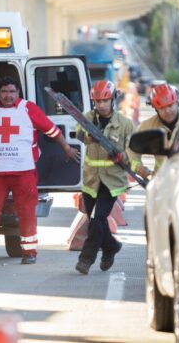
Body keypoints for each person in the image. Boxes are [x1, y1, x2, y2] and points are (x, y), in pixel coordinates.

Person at [0, 77, 79, 265]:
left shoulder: (29, 109)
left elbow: (52, 131)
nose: (8, 95)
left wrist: (67, 148)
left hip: (24, 171)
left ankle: (30, 252)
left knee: (27, 211)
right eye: (4, 91)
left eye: (12, 91)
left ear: (18, 93)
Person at [75, 80, 134, 275]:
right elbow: (78, 134)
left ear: (113, 99)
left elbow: (132, 152)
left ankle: (86, 259)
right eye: (98, 101)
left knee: (99, 217)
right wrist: (87, 136)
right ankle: (111, 247)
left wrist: (121, 156)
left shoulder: (124, 124)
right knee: (96, 222)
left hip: (112, 180)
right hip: (91, 180)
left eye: (105, 100)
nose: (101, 105)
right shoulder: (86, 119)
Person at [128, 83, 179, 178]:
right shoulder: (148, 126)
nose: (167, 111)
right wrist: (138, 167)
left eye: (170, 105)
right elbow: (131, 148)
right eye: (162, 108)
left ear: (177, 103)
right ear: (156, 109)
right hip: (161, 181)